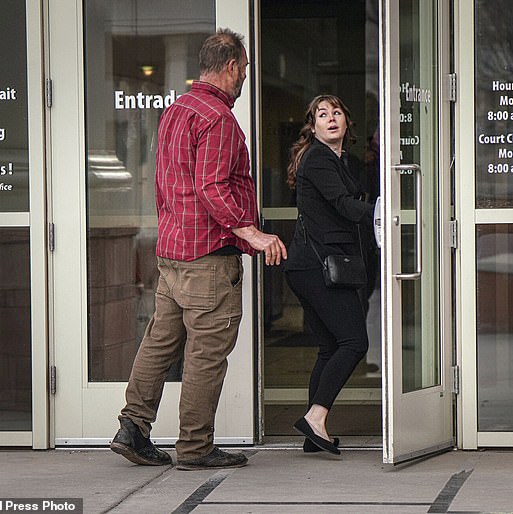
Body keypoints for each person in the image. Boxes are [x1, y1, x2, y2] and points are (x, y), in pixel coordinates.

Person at [110, 28, 287, 471]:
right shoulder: (218, 118)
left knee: (159, 343)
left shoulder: (176, 111)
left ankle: (132, 427)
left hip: (172, 253)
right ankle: (195, 447)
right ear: (231, 67)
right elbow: (212, 187)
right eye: (245, 68)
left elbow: (166, 181)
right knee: (206, 354)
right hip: (208, 257)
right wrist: (253, 233)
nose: (245, 75)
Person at [283, 95, 374, 455]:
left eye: (337, 112)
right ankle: (316, 418)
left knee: (329, 347)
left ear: (346, 122)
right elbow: (344, 205)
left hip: (312, 266)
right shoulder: (319, 158)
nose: (331, 118)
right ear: (313, 126)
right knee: (354, 343)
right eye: (323, 115)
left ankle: (313, 437)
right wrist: (383, 212)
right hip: (315, 266)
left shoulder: (343, 160)